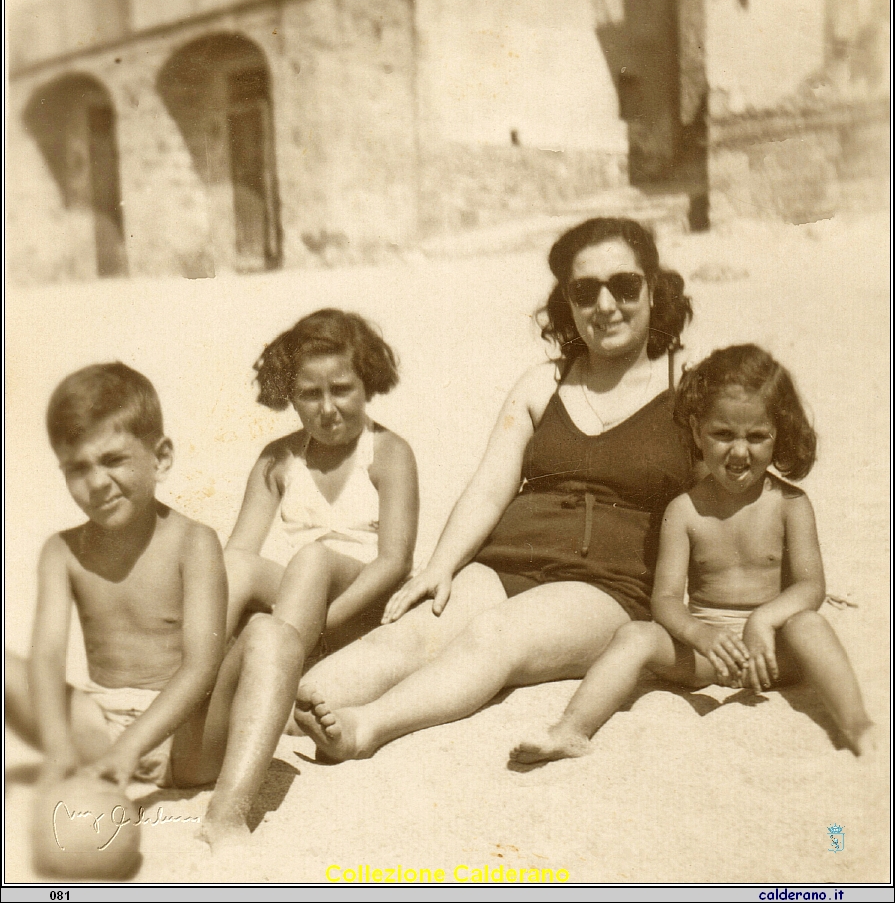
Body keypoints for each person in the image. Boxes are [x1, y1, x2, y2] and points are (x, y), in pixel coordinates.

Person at [293, 217, 694, 761]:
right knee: (411, 634)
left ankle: (367, 728)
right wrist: (440, 569)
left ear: (653, 289)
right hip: (510, 559)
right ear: (567, 304)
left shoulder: (690, 388)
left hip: (608, 583)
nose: (605, 305)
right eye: (585, 291)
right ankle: (284, 706)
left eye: (624, 286)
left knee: (495, 636)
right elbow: (488, 488)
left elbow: (744, 477)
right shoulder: (543, 382)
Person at [511, 344, 876, 764]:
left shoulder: (790, 504)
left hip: (776, 650)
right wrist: (701, 635)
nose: (740, 452)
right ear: (697, 430)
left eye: (757, 436)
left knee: (810, 624)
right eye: (723, 434)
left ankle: (858, 727)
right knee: (636, 635)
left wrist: (765, 618)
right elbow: (665, 600)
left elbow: (812, 586)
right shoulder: (683, 510)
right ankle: (571, 730)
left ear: (780, 434)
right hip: (708, 654)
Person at [202, 309, 418, 844]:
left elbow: (395, 562)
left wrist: (315, 627)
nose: (327, 410)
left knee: (315, 557)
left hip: (359, 604)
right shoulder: (280, 459)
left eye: (342, 390)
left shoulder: (388, 454)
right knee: (234, 566)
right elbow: (240, 553)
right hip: (300, 602)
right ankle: (192, 703)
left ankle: (276, 677)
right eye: (308, 394)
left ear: (368, 382)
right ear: (287, 395)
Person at [5, 363, 227, 793]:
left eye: (113, 460)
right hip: (100, 721)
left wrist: (133, 748)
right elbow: (47, 659)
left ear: (160, 458)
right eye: (77, 468)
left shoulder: (194, 541)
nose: (97, 483)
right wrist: (59, 749)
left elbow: (202, 667)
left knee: (250, 648)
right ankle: (88, 761)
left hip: (181, 730)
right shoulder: (62, 551)